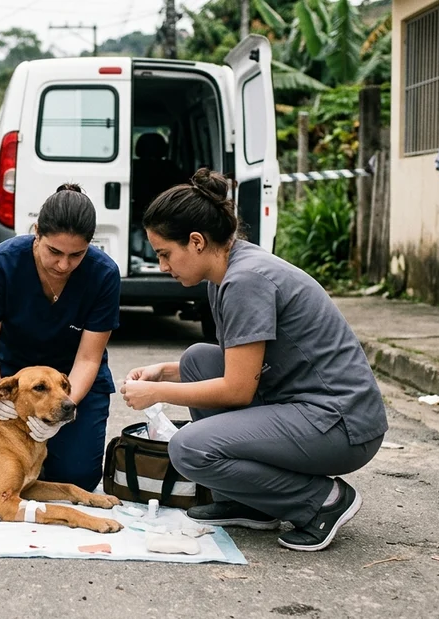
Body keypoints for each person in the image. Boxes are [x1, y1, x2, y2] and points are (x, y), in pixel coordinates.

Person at [120, 168, 387, 552]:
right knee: (196, 360)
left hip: (342, 424)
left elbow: (238, 389)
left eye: (165, 254)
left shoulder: (245, 281)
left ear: (196, 242)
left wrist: (157, 393)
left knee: (188, 449)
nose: (162, 266)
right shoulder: (226, 273)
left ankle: (321, 502)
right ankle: (253, 502)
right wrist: (165, 372)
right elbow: (242, 362)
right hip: (305, 405)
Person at [0, 183, 121, 492]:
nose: (64, 265)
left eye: (76, 255)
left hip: (72, 383)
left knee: (76, 478)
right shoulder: (2, 262)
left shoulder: (103, 274)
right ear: (37, 232)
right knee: (1, 475)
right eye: (55, 252)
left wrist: (64, 407)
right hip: (13, 381)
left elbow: (88, 358)